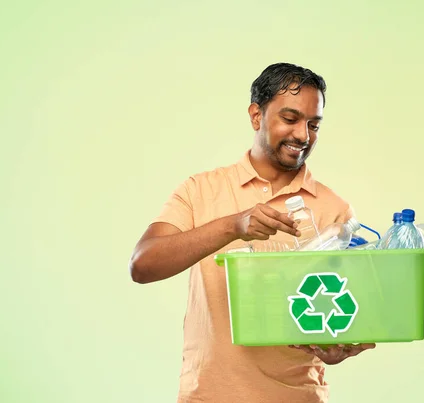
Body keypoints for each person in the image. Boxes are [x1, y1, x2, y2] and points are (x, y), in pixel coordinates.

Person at [128, 62, 375, 403]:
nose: (303, 135)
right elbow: (143, 265)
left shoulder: (335, 212)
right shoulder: (200, 190)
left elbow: (349, 315)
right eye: (290, 119)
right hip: (209, 396)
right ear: (256, 115)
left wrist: (340, 347)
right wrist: (233, 226)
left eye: (313, 124)